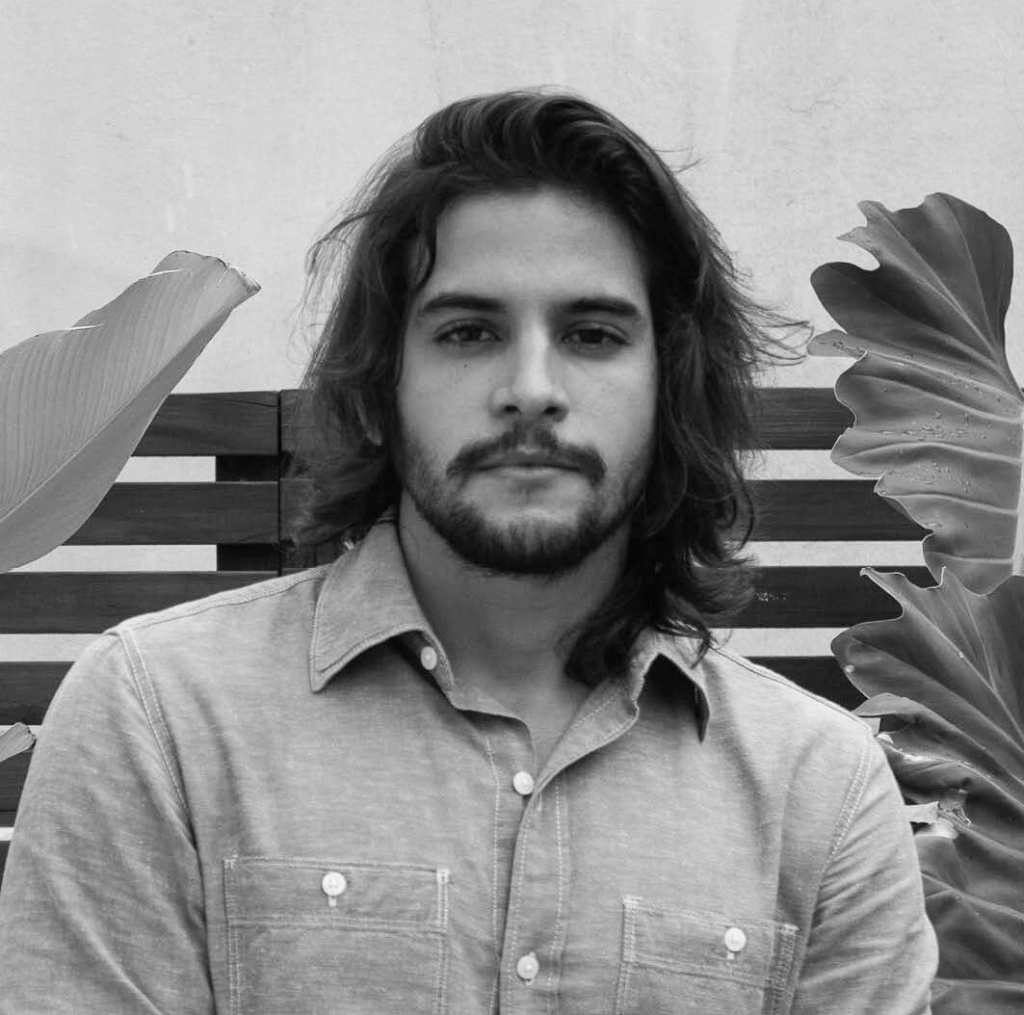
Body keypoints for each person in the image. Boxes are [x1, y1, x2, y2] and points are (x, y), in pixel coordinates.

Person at [0, 90, 936, 1013]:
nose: (531, 388)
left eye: (593, 334)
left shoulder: (821, 793)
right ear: (381, 386)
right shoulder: (159, 718)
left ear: (670, 388)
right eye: (469, 332)